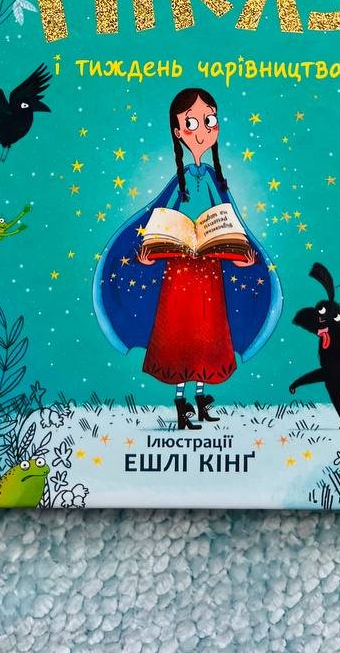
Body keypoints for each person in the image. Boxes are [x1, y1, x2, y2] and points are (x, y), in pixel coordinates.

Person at [93, 87, 282, 429]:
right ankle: (181, 401)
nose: (202, 131)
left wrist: (242, 257)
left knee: (208, 334)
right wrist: (147, 255)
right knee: (180, 334)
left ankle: (201, 397)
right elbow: (158, 220)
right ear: (178, 131)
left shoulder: (213, 179)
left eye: (209, 121)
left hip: (211, 274)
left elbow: (231, 222)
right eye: (192, 123)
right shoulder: (178, 181)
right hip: (178, 276)